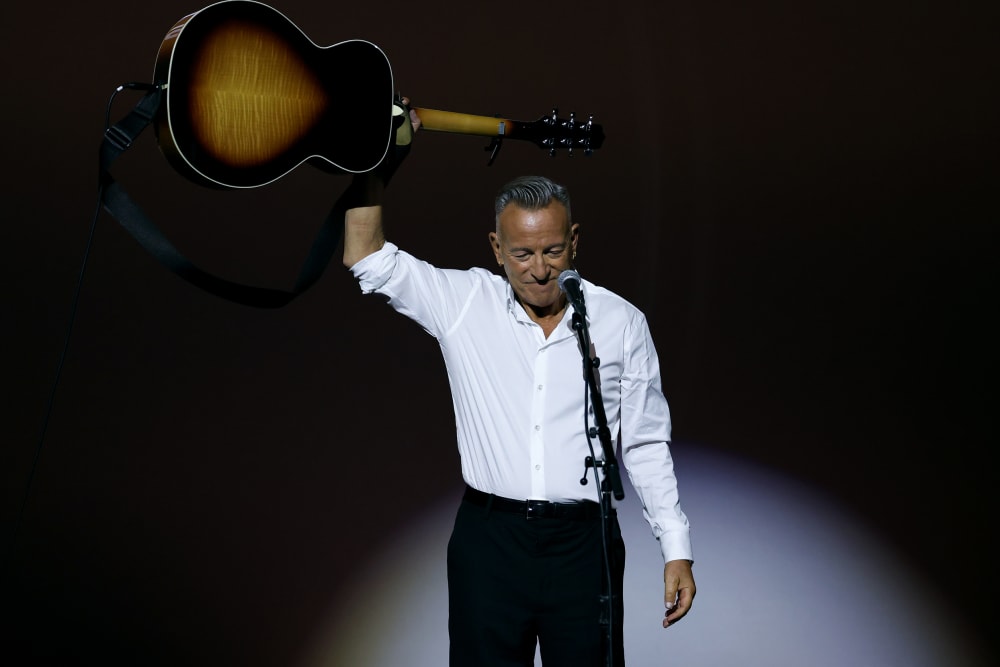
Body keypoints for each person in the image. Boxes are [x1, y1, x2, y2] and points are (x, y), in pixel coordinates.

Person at [340, 102, 695, 667]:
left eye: (552, 250)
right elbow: (366, 256)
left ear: (574, 241)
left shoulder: (619, 322)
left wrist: (676, 549)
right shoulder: (465, 304)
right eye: (522, 253)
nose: (537, 268)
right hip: (491, 542)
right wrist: (374, 159)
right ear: (496, 249)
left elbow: (645, 443)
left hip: (585, 546)